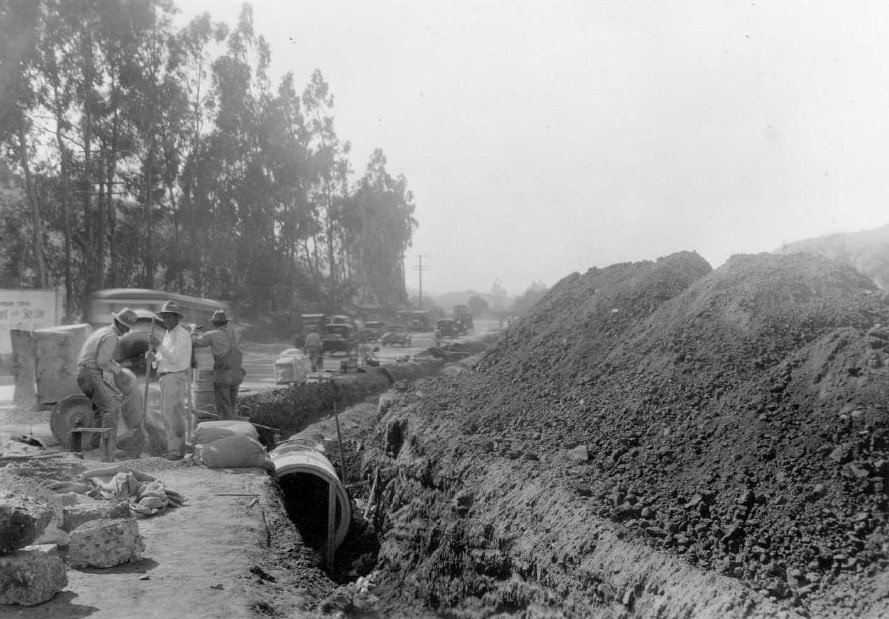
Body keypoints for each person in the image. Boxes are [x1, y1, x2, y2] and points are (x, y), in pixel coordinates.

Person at [76, 307, 138, 456]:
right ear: (120, 323)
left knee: (101, 411)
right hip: (90, 373)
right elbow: (102, 362)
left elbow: (105, 359)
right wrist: (118, 371)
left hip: (83, 373)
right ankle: (108, 448)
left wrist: (117, 367)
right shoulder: (111, 336)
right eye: (127, 328)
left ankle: (95, 447)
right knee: (112, 408)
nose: (128, 331)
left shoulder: (103, 331)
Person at [148, 300, 193, 460]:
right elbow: (161, 360)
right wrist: (153, 357)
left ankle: (176, 450)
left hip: (175, 376)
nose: (165, 320)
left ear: (176, 318)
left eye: (168, 317)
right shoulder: (168, 334)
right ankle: (173, 447)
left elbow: (173, 359)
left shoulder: (181, 335)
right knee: (167, 414)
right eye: (163, 317)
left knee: (173, 414)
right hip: (166, 377)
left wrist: (158, 346)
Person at [191, 309, 243, 419]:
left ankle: (226, 429)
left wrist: (193, 330)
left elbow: (194, 341)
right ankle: (234, 425)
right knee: (231, 406)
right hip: (237, 373)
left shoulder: (213, 334)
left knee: (224, 407)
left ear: (214, 323)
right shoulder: (235, 333)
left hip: (223, 374)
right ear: (226, 322)